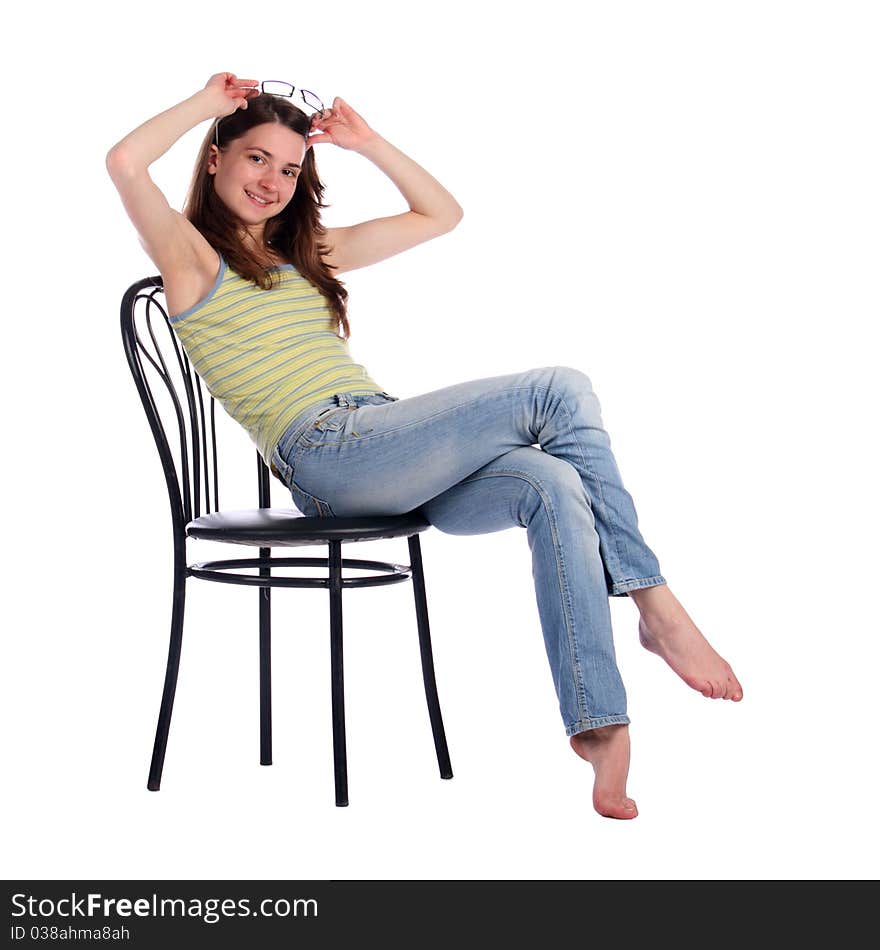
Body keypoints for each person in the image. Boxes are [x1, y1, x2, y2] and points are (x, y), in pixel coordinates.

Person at [107, 72, 743, 820]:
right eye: (256, 160)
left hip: (381, 439)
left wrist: (366, 143)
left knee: (549, 480)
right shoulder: (190, 258)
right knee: (558, 389)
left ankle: (597, 722)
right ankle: (656, 605)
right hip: (327, 455)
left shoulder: (308, 253)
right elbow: (124, 162)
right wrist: (203, 106)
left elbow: (442, 214)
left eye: (288, 169)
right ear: (215, 158)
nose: (273, 181)